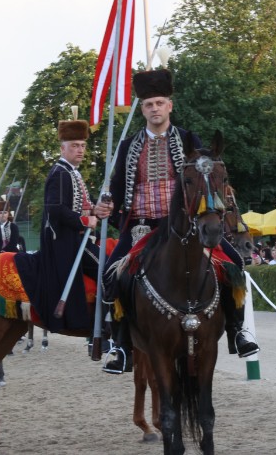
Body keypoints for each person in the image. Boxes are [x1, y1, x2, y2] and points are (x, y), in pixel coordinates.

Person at [103, 68, 259, 374]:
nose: (154, 109)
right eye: (148, 105)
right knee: (112, 274)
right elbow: (118, 188)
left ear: (169, 105)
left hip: (186, 226)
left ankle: (237, 332)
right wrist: (111, 210)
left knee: (232, 265)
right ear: (142, 109)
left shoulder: (189, 139)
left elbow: (207, 180)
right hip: (143, 226)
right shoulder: (128, 145)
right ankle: (120, 346)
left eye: (159, 103)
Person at [15, 110, 113, 334]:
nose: (80, 150)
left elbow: (81, 203)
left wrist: (97, 210)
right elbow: (56, 210)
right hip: (66, 243)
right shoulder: (60, 173)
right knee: (109, 271)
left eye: (82, 146)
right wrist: (84, 221)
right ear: (63, 148)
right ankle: (106, 324)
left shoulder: (73, 172)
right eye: (75, 145)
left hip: (77, 238)